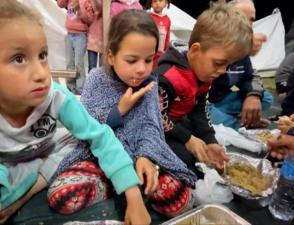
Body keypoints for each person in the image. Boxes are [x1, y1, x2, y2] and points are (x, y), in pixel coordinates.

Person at [0, 1, 149, 224]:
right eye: (19, 59)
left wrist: (133, 195)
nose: (42, 74)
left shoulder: (56, 96)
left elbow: (99, 136)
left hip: (52, 151)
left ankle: (28, 195)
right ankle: (22, 195)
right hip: (4, 164)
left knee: (73, 144)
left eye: (42, 55)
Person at [52, 9, 197, 218]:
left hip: (140, 155)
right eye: (131, 60)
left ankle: (129, 185)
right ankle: (115, 184)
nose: (141, 69)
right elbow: (86, 127)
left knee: (179, 199)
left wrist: (146, 157)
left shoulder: (150, 84)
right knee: (64, 195)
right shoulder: (96, 79)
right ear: (111, 56)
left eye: (148, 60)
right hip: (101, 158)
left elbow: (151, 127)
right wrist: (120, 109)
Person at [154, 2, 253, 175]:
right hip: (151, 124)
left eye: (228, 65)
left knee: (203, 149)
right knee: (187, 157)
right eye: (219, 63)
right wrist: (187, 139)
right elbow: (156, 116)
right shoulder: (167, 77)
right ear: (195, 50)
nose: (223, 71)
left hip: (174, 122)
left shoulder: (204, 72)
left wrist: (210, 140)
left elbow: (199, 109)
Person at [208, 0, 273, 130]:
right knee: (204, 115)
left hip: (223, 100)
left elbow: (250, 75)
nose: (248, 25)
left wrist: (253, 95)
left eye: (251, 20)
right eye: (241, 18)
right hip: (204, 102)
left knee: (265, 98)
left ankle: (233, 119)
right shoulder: (210, 40)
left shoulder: (243, 50)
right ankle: (240, 123)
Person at [57, 0, 88, 94]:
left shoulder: (86, 2)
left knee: (79, 63)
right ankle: (71, 88)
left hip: (81, 35)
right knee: (69, 62)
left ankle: (80, 88)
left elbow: (89, 19)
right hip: (69, 33)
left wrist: (79, 9)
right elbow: (60, 4)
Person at [79, 0, 104, 72]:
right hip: (93, 39)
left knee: (103, 71)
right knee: (92, 68)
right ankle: (91, 83)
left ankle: (101, 83)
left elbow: (100, 8)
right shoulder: (88, 2)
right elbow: (88, 18)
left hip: (106, 39)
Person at [148, 0, 171, 69]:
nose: (157, 3)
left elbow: (167, 37)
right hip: (149, 52)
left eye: (160, 0)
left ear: (166, 3)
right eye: (154, 1)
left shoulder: (167, 19)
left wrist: (166, 51)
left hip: (160, 54)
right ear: (151, 4)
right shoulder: (148, 17)